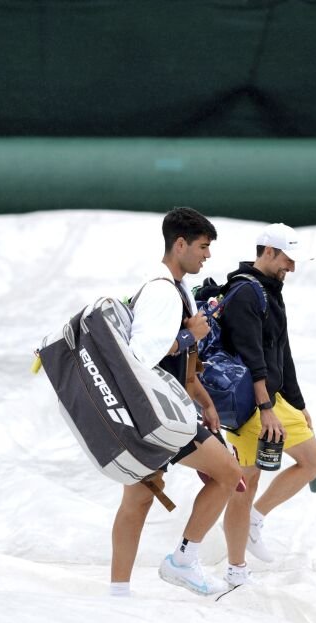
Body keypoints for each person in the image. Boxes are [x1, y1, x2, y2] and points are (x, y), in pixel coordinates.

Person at [111, 207, 242, 597]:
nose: (208, 255)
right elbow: (138, 357)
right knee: (228, 474)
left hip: (157, 410)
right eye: (203, 247)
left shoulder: (175, 287)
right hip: (158, 412)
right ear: (180, 244)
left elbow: (176, 363)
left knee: (137, 499)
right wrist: (190, 336)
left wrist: (203, 400)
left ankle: (118, 594)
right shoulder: (162, 290)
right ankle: (182, 561)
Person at [219, 223, 316, 586]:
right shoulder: (246, 293)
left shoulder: (269, 290)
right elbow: (251, 356)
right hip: (252, 402)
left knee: (305, 464)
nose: (292, 268)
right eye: (288, 259)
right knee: (246, 482)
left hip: (272, 398)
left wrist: (298, 404)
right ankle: (235, 567)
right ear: (268, 251)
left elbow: (282, 351)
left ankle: (252, 526)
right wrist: (267, 410)